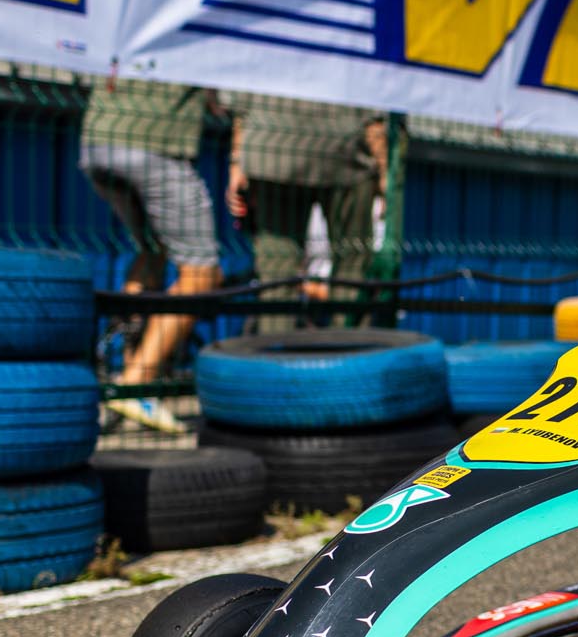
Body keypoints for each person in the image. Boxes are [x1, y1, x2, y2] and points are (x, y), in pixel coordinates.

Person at [78, 74, 223, 434]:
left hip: (97, 143)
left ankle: (127, 367)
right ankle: (134, 385)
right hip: (155, 144)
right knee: (202, 274)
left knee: (153, 252)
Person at [226, 95, 387, 333]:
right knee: (351, 268)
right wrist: (384, 168)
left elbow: (244, 90)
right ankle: (349, 347)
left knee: (276, 274)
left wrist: (237, 160)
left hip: (273, 148)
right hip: (343, 149)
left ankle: (275, 348)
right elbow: (374, 102)